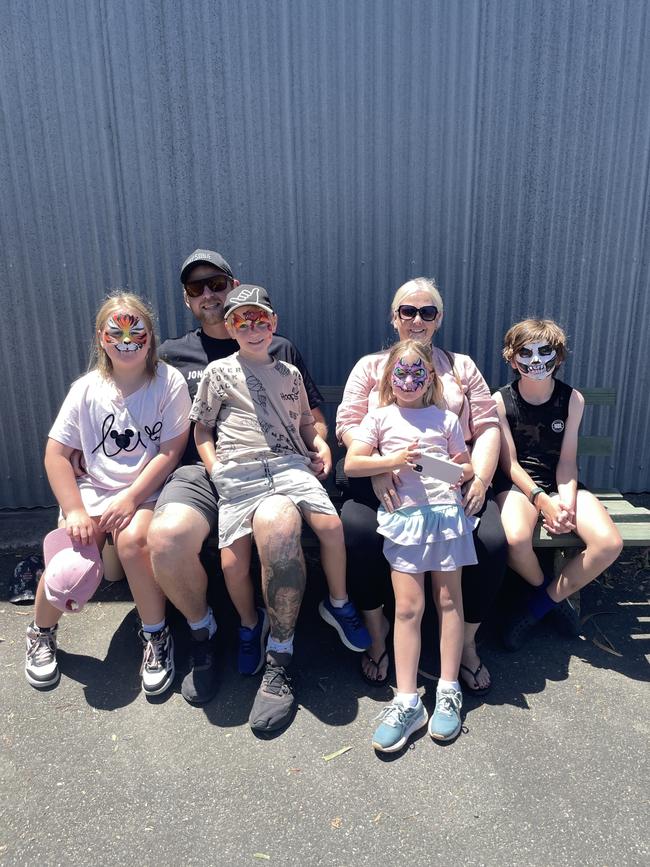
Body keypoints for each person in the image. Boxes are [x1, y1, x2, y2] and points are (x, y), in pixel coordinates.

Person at [147, 250, 336, 708]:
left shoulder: (279, 348)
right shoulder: (173, 354)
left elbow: (311, 417)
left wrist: (321, 445)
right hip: (199, 469)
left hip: (270, 467)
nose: (208, 294)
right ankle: (204, 634)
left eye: (216, 283)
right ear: (188, 300)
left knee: (279, 527)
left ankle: (280, 655)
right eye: (197, 288)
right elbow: (162, 421)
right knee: (166, 538)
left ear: (234, 286)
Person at [191, 284, 370, 732]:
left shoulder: (289, 373)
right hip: (240, 469)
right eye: (241, 322)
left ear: (274, 323)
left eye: (261, 321)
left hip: (290, 465)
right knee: (233, 561)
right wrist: (215, 470)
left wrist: (320, 445)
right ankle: (250, 625)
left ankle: (338, 602)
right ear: (229, 328)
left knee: (330, 526)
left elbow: (308, 422)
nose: (253, 330)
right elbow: (202, 431)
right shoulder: (218, 373)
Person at [336, 277, 507, 695]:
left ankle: (465, 645)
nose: (417, 319)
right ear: (394, 318)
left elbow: (486, 427)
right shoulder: (370, 366)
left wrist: (480, 479)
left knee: (493, 541)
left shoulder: (461, 366)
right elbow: (348, 424)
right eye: (408, 311)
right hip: (384, 478)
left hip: (450, 483)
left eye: (427, 312)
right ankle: (379, 637)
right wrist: (379, 467)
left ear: (439, 319)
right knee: (357, 533)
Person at [25, 293, 191, 694]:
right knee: (70, 559)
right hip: (92, 491)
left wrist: (132, 498)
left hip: (142, 491)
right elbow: (56, 454)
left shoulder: (168, 383)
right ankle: (41, 632)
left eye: (136, 330)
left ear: (150, 338)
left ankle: (155, 635)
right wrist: (74, 509)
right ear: (101, 338)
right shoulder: (86, 389)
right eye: (116, 331)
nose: (126, 339)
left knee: (135, 542)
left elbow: (170, 451)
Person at [345, 340, 476, 751]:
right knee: (407, 608)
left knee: (450, 603)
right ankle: (406, 699)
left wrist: (450, 470)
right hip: (405, 523)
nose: (407, 380)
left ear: (430, 378)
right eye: (399, 373)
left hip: (447, 520)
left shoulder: (447, 419)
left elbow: (466, 463)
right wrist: (394, 460)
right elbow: (353, 463)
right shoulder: (379, 417)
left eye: (416, 373)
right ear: (388, 378)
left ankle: (449, 689)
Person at [492, 319, 623, 650]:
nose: (535, 360)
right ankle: (546, 595)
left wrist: (564, 505)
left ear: (559, 357)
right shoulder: (500, 401)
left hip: (561, 484)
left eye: (545, 351)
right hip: (521, 486)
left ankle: (538, 607)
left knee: (609, 543)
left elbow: (567, 461)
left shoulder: (572, 399)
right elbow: (509, 464)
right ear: (512, 358)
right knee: (515, 538)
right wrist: (541, 501)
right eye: (526, 352)